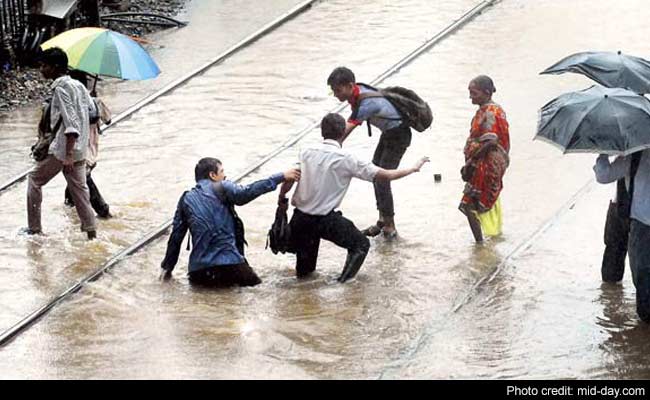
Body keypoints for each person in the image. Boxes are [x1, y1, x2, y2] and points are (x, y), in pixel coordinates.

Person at [278, 113, 429, 283]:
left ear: (322, 131)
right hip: (325, 220)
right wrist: (413, 168)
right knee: (360, 245)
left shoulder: (306, 151)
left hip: (301, 219)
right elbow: (385, 175)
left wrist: (282, 198)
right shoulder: (347, 159)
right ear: (342, 132)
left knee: (304, 275)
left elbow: (290, 178)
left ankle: (306, 298)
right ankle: (343, 284)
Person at [160, 158, 301, 288]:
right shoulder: (222, 186)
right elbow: (246, 193)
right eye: (222, 171)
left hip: (199, 272)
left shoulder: (185, 199)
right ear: (212, 175)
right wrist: (280, 176)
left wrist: (167, 270)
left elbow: (175, 238)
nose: (225, 176)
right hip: (231, 266)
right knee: (258, 292)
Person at [327, 66, 412, 238]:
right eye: (333, 91)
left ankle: (390, 226)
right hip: (389, 133)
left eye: (338, 90)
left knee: (382, 178)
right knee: (375, 174)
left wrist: (327, 150)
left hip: (398, 135)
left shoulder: (367, 104)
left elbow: (344, 132)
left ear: (350, 86)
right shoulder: (358, 91)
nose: (336, 95)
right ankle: (382, 219)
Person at [25, 47, 97, 240]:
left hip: (65, 150)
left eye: (44, 65)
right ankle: (91, 232)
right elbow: (91, 111)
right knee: (80, 191)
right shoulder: (79, 86)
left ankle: (34, 230)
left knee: (34, 179)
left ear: (56, 67)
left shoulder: (60, 88)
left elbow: (71, 125)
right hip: (81, 148)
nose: (41, 69)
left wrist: (68, 155)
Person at [594, 150, 650, 322]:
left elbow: (604, 175)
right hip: (636, 217)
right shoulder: (634, 155)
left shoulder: (634, 154)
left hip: (640, 220)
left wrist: (602, 154)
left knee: (642, 272)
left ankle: (645, 323)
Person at [458, 75, 510, 243]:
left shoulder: (489, 113)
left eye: (474, 93)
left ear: (486, 93)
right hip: (486, 163)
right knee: (474, 202)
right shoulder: (493, 110)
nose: (470, 97)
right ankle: (485, 242)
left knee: (469, 204)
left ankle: (480, 244)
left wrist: (471, 161)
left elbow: (491, 141)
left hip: (485, 165)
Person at [64, 69, 112, 219]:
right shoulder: (95, 102)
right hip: (90, 148)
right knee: (78, 176)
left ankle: (102, 210)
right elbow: (108, 119)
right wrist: (96, 101)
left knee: (82, 177)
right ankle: (70, 204)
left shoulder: (69, 104)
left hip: (76, 148)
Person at [601, 179, 630, 283]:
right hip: (619, 206)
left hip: (622, 206)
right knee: (612, 264)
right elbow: (604, 174)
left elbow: (604, 174)